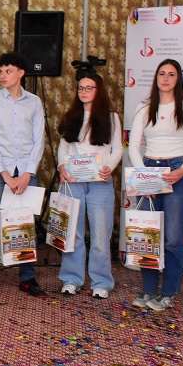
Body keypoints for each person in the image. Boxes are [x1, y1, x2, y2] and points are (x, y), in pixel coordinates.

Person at [128, 58, 183, 311]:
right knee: (147, 235)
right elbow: (133, 146)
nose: (166, 78)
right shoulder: (144, 106)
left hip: (177, 171)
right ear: (156, 77)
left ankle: (168, 293)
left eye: (171, 74)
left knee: (172, 239)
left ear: (178, 79)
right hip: (149, 170)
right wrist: (144, 176)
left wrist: (182, 171)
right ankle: (148, 290)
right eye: (162, 73)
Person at [0, 52, 46, 297]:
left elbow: (38, 141)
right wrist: (6, 174)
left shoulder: (34, 102)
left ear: (21, 73)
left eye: (8, 71)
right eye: (1, 71)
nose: (3, 76)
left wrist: (27, 173)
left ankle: (27, 278)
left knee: (25, 225)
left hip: (26, 172)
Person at [56, 71, 123, 299]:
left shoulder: (111, 117)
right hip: (73, 182)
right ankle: (71, 279)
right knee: (72, 234)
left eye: (89, 88)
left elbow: (117, 149)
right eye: (80, 88)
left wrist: (109, 167)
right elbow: (64, 147)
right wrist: (62, 167)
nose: (83, 92)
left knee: (100, 236)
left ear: (99, 90)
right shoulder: (71, 116)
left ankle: (101, 282)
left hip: (99, 183)